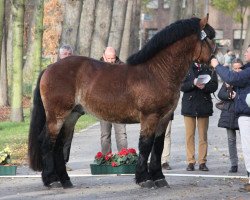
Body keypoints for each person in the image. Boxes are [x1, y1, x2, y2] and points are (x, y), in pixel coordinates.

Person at [210, 45, 250, 192]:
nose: (245, 52)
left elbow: (232, 77)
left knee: (248, 148)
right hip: (243, 112)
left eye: (248, 51)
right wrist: (237, 96)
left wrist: (217, 65)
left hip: (247, 115)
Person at [181, 62, 218, 171]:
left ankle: (202, 162)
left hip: (204, 105)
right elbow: (181, 85)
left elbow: (214, 85)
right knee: (189, 136)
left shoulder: (210, 68)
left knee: (203, 136)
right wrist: (193, 83)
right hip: (189, 105)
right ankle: (190, 162)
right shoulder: (186, 67)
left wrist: (204, 86)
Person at [99, 47, 128, 154]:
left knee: (121, 133)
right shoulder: (96, 68)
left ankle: (124, 157)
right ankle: (106, 158)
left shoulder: (123, 67)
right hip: (103, 106)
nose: (111, 60)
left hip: (119, 106)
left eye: (113, 58)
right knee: (105, 134)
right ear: (103, 56)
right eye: (108, 58)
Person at [217, 58, 243, 173]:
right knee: (231, 140)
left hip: (243, 113)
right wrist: (229, 94)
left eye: (239, 68)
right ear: (232, 68)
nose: (237, 70)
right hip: (230, 113)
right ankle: (234, 164)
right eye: (235, 68)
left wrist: (238, 95)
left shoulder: (246, 78)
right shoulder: (229, 79)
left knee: (246, 140)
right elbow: (220, 94)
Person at [58, 44, 74, 171]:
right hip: (57, 109)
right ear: (60, 55)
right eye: (65, 54)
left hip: (72, 109)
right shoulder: (52, 70)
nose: (67, 57)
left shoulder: (75, 72)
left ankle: (63, 161)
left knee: (68, 135)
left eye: (69, 54)